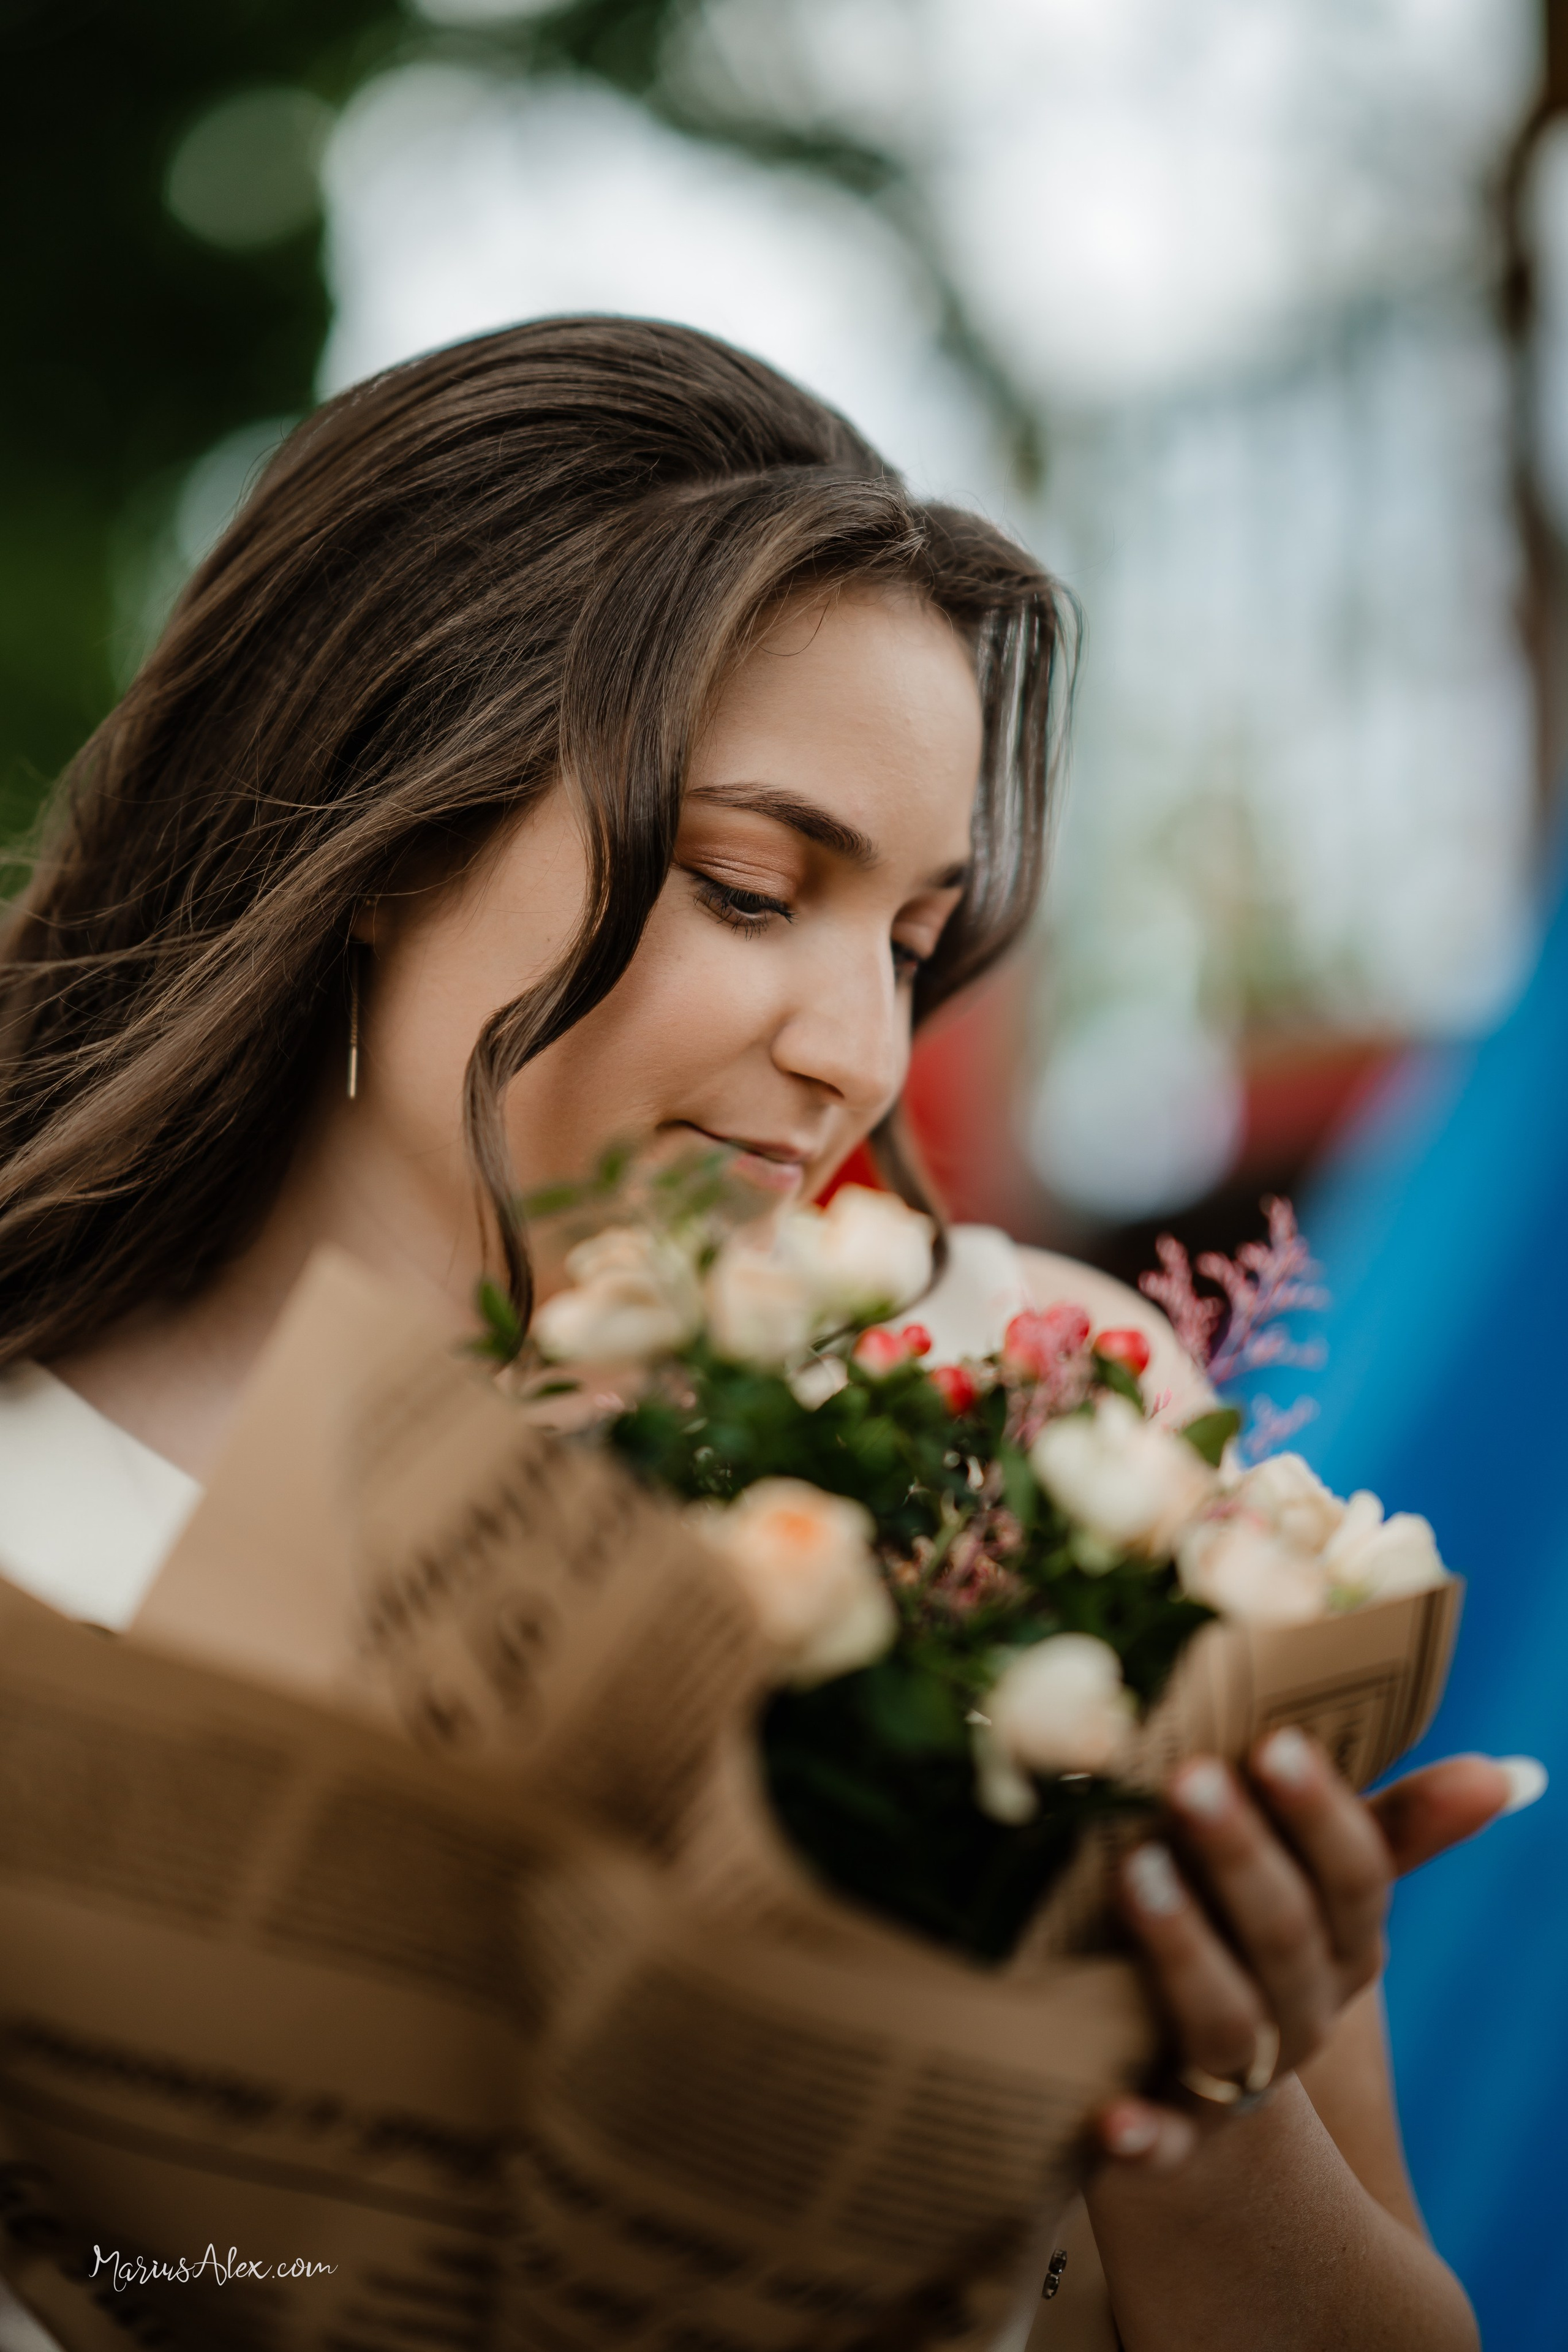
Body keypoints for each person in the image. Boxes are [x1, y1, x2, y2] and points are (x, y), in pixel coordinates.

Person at [0, 317, 1520, 2352]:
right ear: (384, 824)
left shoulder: (1044, 1428)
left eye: (908, 940)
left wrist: (1206, 2105)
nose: (856, 1050)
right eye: (745, 886)